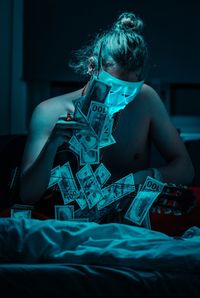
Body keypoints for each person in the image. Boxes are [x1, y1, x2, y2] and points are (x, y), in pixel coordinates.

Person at [19, 12, 194, 205]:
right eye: (112, 88)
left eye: (129, 91)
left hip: (126, 227)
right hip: (74, 224)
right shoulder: (49, 112)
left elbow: (186, 170)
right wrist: (52, 145)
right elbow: (27, 195)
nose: (119, 99)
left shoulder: (146, 99)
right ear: (92, 67)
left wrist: (145, 177)